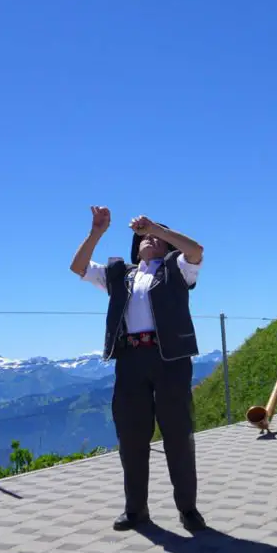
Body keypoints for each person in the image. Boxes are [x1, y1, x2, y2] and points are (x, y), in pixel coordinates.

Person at [70, 206, 207, 531]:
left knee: (177, 434)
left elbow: (196, 250)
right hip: (130, 360)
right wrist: (96, 232)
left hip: (170, 360)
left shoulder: (179, 269)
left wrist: (157, 228)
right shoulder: (121, 274)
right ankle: (136, 510)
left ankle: (188, 508)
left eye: (157, 238)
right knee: (131, 437)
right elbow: (78, 266)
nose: (150, 240)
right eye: (144, 238)